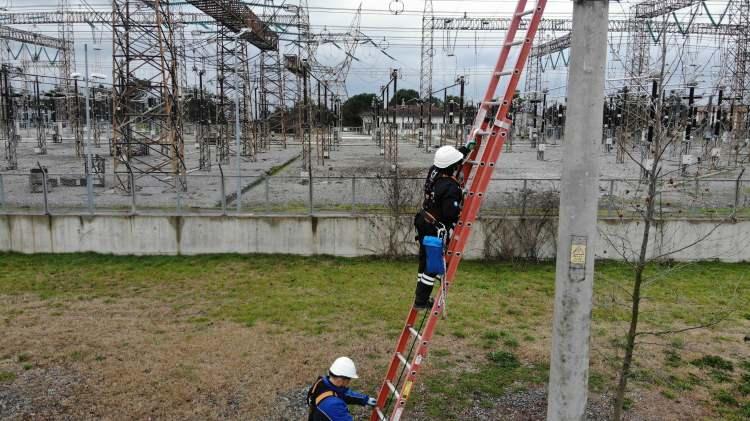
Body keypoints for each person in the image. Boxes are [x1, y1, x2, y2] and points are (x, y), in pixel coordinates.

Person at [413, 142, 474, 310]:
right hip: (434, 228)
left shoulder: (434, 171)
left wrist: (465, 149)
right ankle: (421, 301)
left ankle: (420, 296)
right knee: (432, 266)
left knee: (424, 260)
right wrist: (461, 200)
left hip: (423, 220)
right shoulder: (450, 187)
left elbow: (451, 160)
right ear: (451, 166)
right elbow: (449, 214)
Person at [307, 356, 376, 420]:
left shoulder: (322, 383)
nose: (349, 382)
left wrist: (365, 399)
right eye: (349, 380)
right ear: (341, 380)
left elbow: (343, 393)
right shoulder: (334, 406)